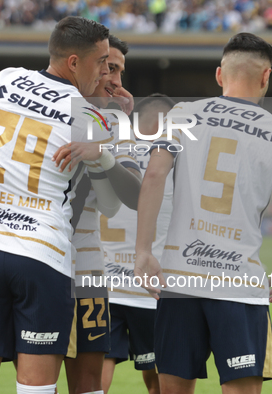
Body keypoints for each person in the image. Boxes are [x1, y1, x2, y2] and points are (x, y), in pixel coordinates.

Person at [0, 16, 112, 394]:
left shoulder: (5, 79)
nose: (104, 70)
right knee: (35, 389)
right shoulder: (92, 117)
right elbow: (121, 190)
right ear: (74, 62)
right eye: (101, 61)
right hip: (43, 255)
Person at [134, 32, 272, 394]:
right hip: (239, 285)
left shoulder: (182, 114)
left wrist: (144, 250)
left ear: (218, 75)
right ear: (265, 76)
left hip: (180, 281)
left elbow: (153, 176)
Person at [66, 35, 142, 394]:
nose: (117, 81)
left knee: (90, 379)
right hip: (44, 255)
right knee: (39, 373)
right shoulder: (52, 110)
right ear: (81, 62)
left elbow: (129, 198)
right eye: (110, 68)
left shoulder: (111, 120)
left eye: (120, 71)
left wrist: (114, 127)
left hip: (91, 263)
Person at [100, 94, 175, 394]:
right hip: (152, 286)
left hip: (102, 282)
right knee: (158, 377)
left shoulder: (109, 149)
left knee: (97, 369)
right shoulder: (174, 158)